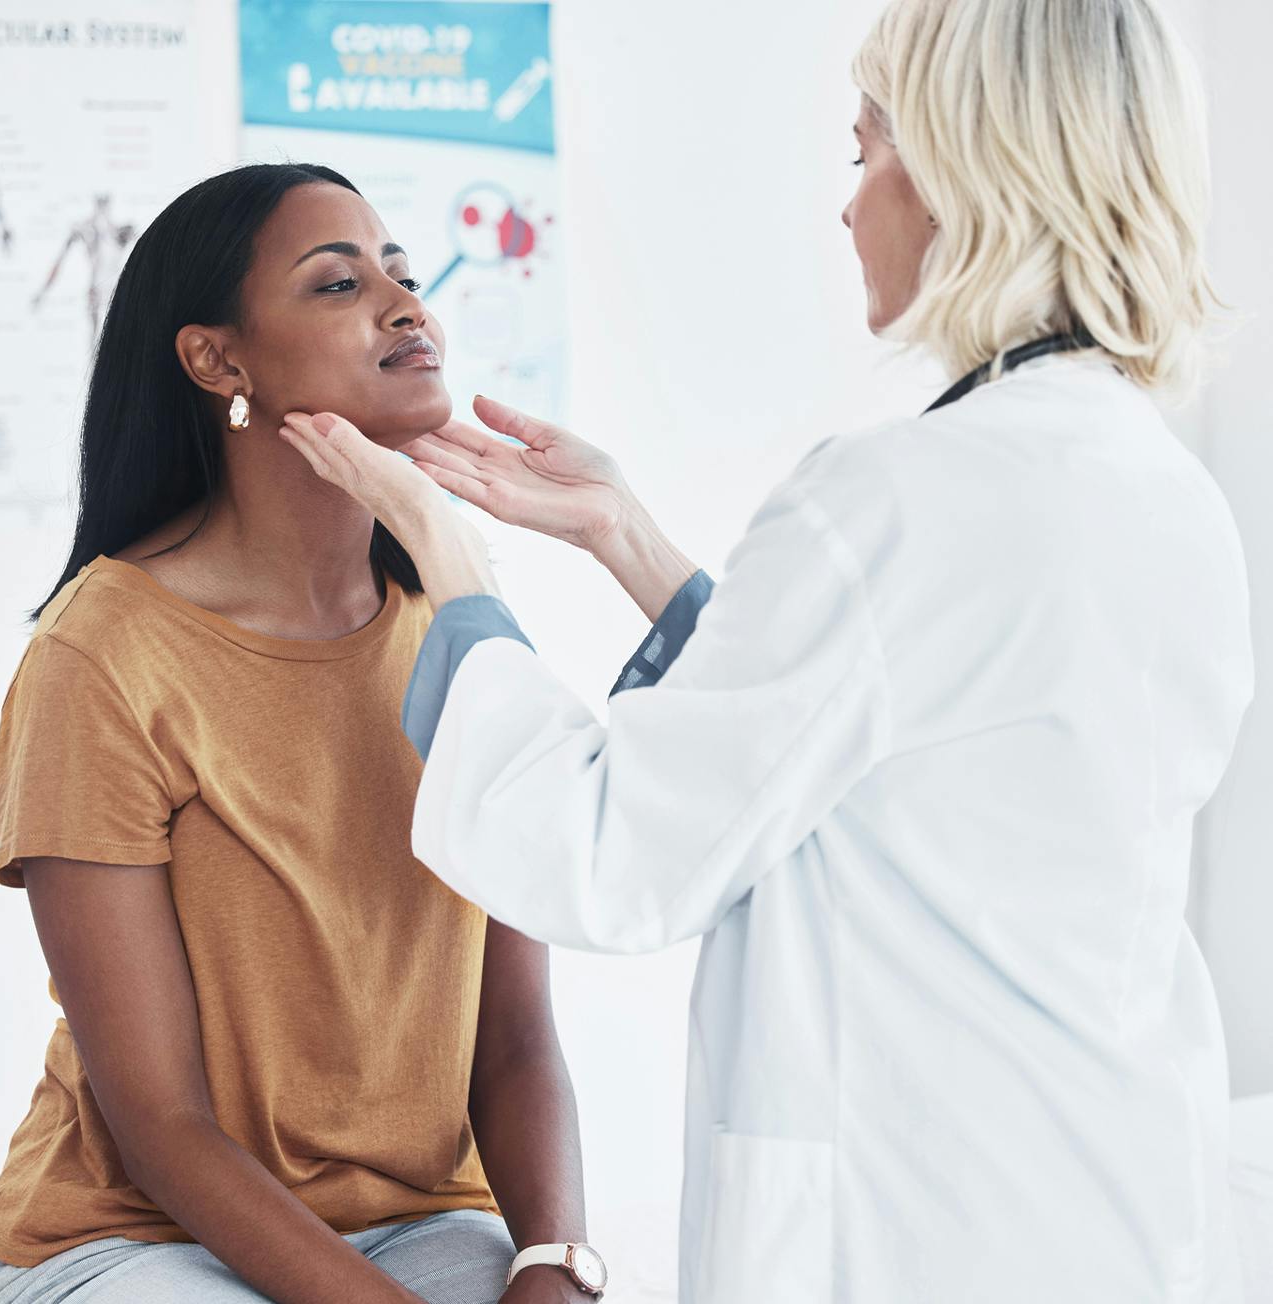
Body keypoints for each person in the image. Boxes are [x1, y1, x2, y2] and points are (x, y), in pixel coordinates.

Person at [273, 0, 1254, 1300]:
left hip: (925, 1225)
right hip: (1111, 1193)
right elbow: (878, 751)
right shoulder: (1151, 484)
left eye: (865, 153)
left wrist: (444, 557)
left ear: (965, 163)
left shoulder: (904, 496)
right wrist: (624, 532)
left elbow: (613, 853)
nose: (848, 208)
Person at [0, 163, 601, 1304]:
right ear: (218, 360)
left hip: (413, 1225)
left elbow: (511, 1038)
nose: (405, 302)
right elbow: (160, 1121)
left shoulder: (460, 642)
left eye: (402, 271)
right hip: (128, 1235)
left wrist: (554, 1262)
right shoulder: (101, 658)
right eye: (339, 281)